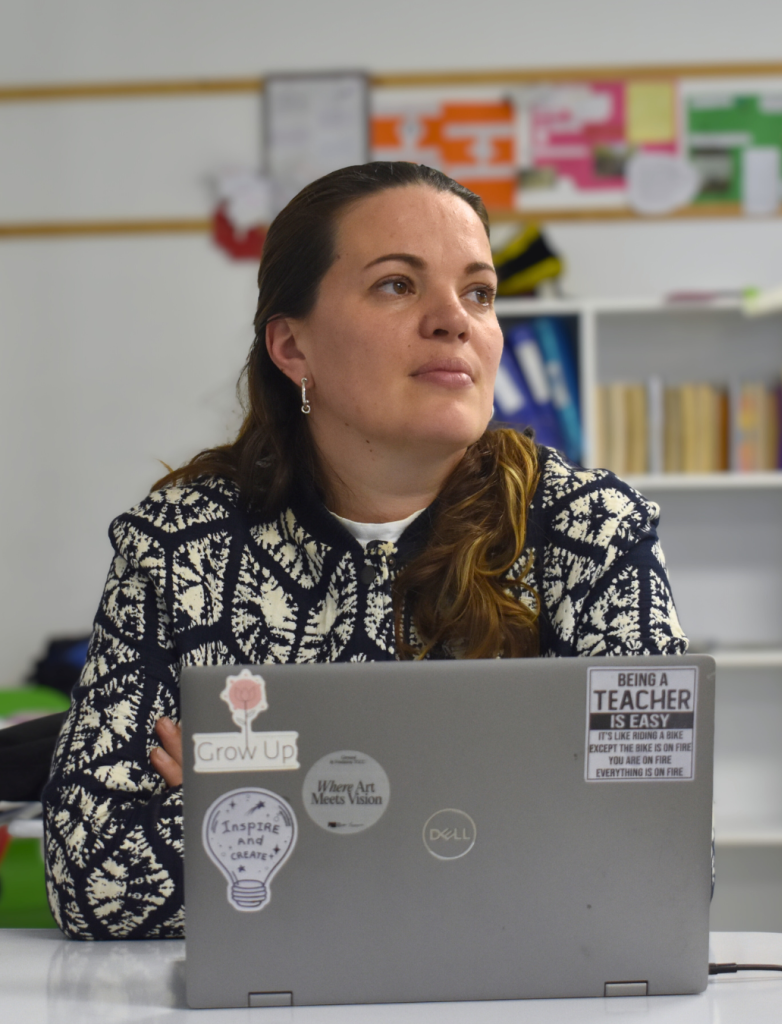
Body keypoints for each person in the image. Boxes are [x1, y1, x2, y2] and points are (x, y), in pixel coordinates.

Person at [42, 162, 687, 940]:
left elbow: (661, 859)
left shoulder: (591, 530)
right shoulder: (181, 544)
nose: (453, 320)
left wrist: (258, 808)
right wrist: (482, 819)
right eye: (396, 285)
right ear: (292, 347)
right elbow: (94, 876)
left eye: (478, 292)